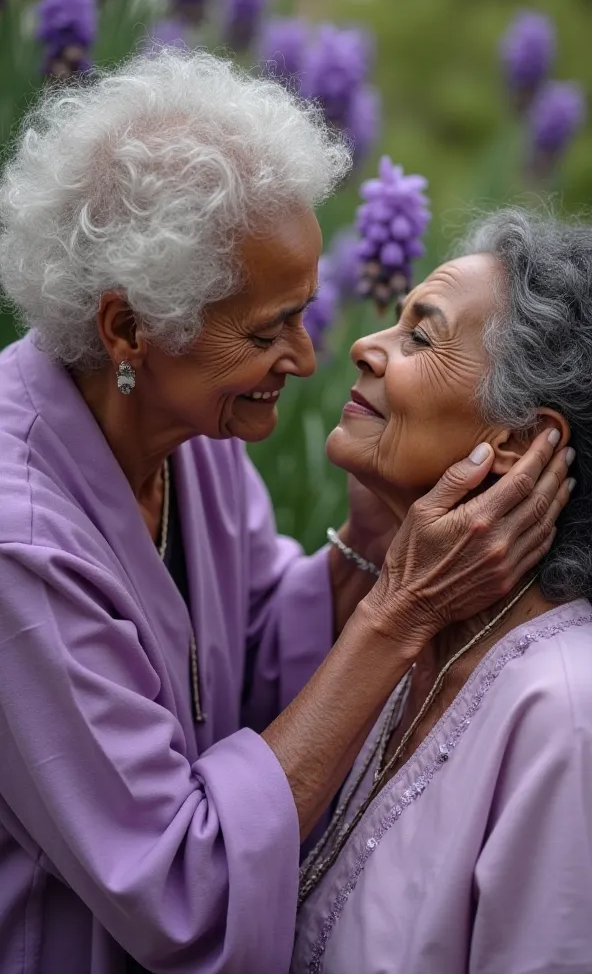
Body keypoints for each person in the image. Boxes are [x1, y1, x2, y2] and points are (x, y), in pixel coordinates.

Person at [0, 51, 570, 974]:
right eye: (266, 331)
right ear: (127, 329)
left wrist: (369, 544)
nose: (311, 360)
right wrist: (402, 609)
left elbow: (253, 660)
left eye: (304, 314)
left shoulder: (188, 436)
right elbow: (179, 887)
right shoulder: (19, 542)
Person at [293, 207, 592, 974]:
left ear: (522, 445)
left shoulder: (564, 716)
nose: (363, 345)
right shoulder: (434, 628)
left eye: (420, 336)